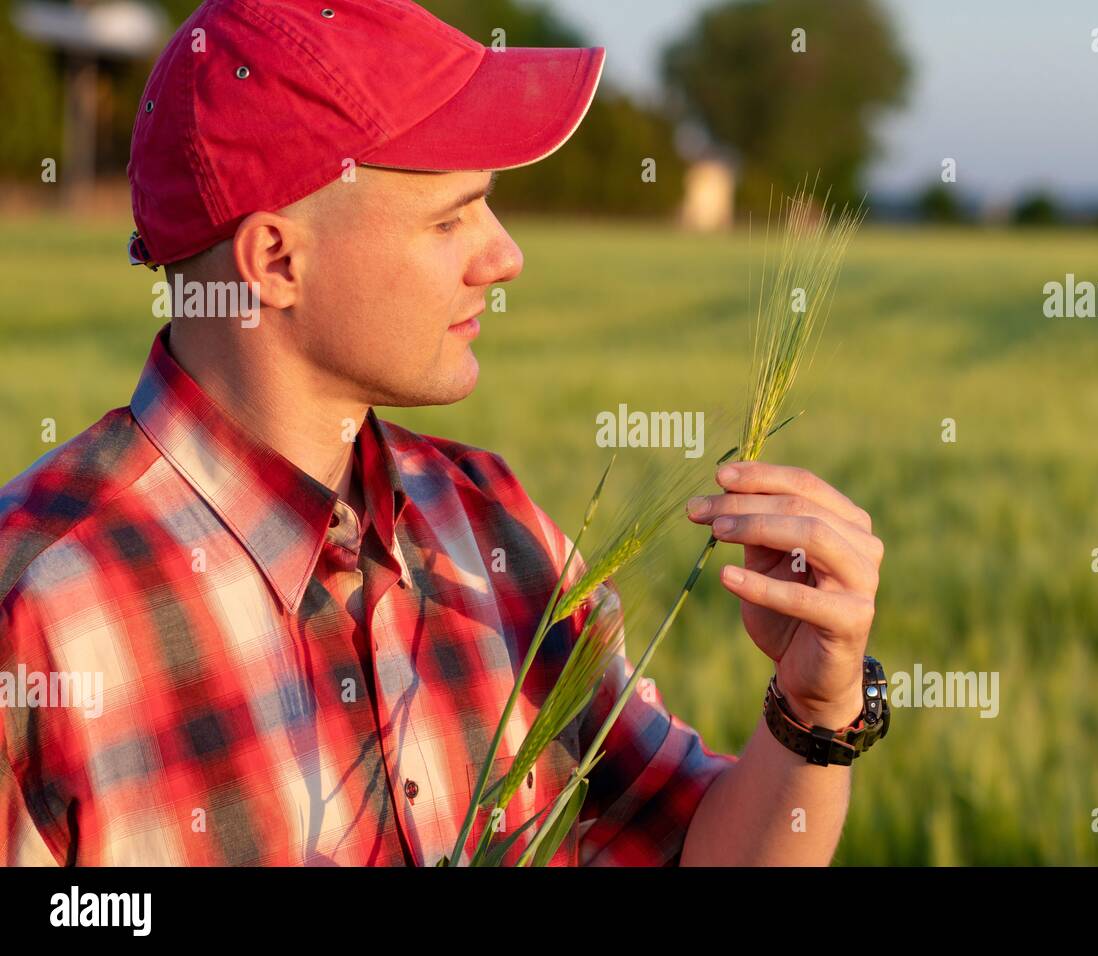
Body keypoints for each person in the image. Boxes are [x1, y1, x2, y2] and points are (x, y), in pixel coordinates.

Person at [0, 0, 885, 866]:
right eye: (451, 216)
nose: (505, 257)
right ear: (275, 261)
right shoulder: (34, 610)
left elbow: (694, 848)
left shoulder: (492, 525)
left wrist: (815, 710)